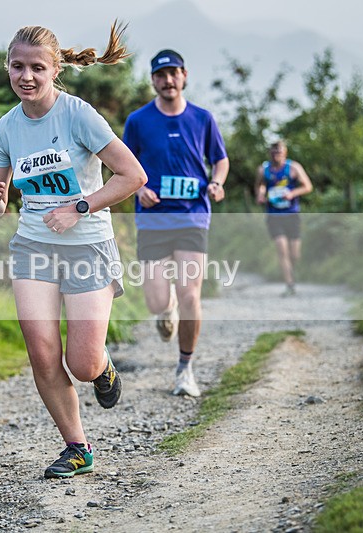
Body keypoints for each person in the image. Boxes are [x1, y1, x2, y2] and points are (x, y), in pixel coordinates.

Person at [0, 22, 146, 479]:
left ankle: (103, 366)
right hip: (32, 245)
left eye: (37, 67)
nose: (26, 76)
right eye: (18, 66)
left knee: (82, 362)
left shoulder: (78, 116)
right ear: (8, 69)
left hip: (87, 244)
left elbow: (132, 176)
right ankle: (77, 446)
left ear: (56, 69)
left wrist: (79, 206)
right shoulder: (5, 129)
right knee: (41, 353)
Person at [122, 49, 229, 398]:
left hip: (191, 216)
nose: (168, 80)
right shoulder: (137, 121)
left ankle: (185, 369)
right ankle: (163, 310)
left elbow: (220, 160)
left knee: (189, 294)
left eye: (174, 73)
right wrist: (140, 190)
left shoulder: (203, 118)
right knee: (156, 300)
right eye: (161, 74)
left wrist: (217, 182)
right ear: (153, 80)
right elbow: (124, 165)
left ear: (184, 76)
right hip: (153, 219)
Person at [255, 140, 313, 296]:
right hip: (274, 215)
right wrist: (260, 195)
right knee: (282, 250)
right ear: (270, 153)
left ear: (285, 152)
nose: (276, 155)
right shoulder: (263, 170)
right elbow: (259, 185)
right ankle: (290, 284)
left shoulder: (293, 168)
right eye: (273, 153)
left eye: (279, 152)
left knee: (295, 254)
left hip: (292, 214)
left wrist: (292, 194)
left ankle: (293, 274)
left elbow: (308, 186)